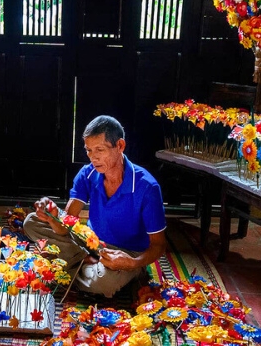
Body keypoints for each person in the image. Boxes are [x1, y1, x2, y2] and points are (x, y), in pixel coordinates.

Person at [24, 115, 167, 297]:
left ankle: (67, 268)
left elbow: (159, 245)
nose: (93, 157)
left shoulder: (147, 187)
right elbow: (66, 227)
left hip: (125, 252)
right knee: (32, 221)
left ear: (120, 146)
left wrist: (131, 263)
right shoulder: (88, 174)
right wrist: (52, 215)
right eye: (89, 150)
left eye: (99, 149)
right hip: (90, 242)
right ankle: (84, 261)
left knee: (104, 284)